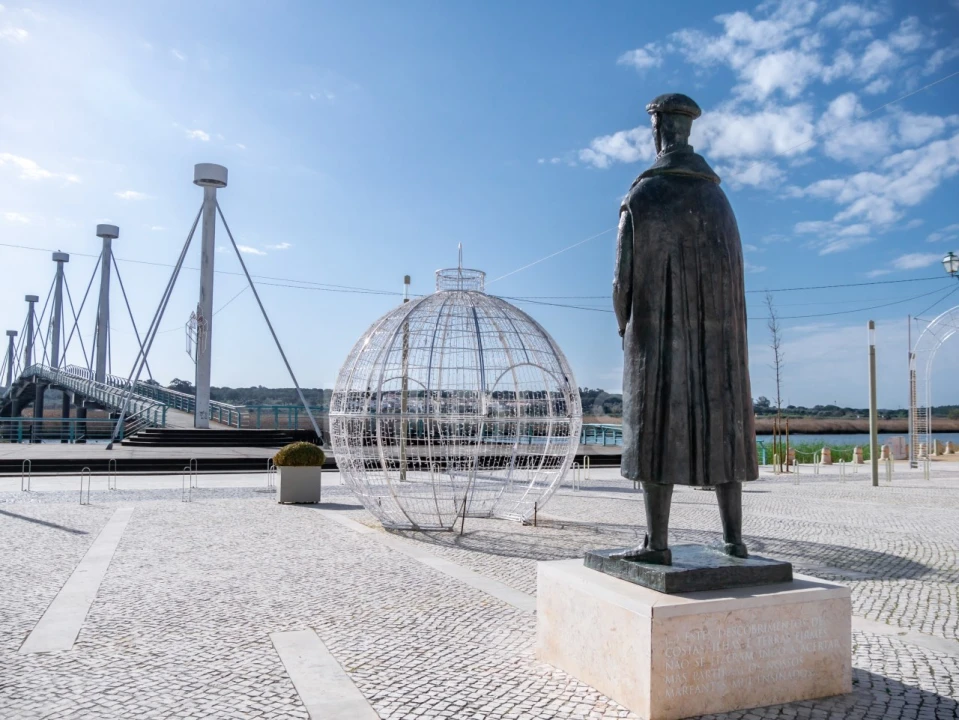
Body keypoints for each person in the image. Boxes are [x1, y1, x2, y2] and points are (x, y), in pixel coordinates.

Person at [611, 93, 757, 566]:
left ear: (657, 131)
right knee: (724, 426)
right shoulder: (720, 200)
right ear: (686, 133)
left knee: (654, 426)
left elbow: (621, 281)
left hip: (655, 338)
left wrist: (624, 325)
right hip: (721, 342)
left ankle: (657, 544)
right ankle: (734, 540)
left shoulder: (642, 196)